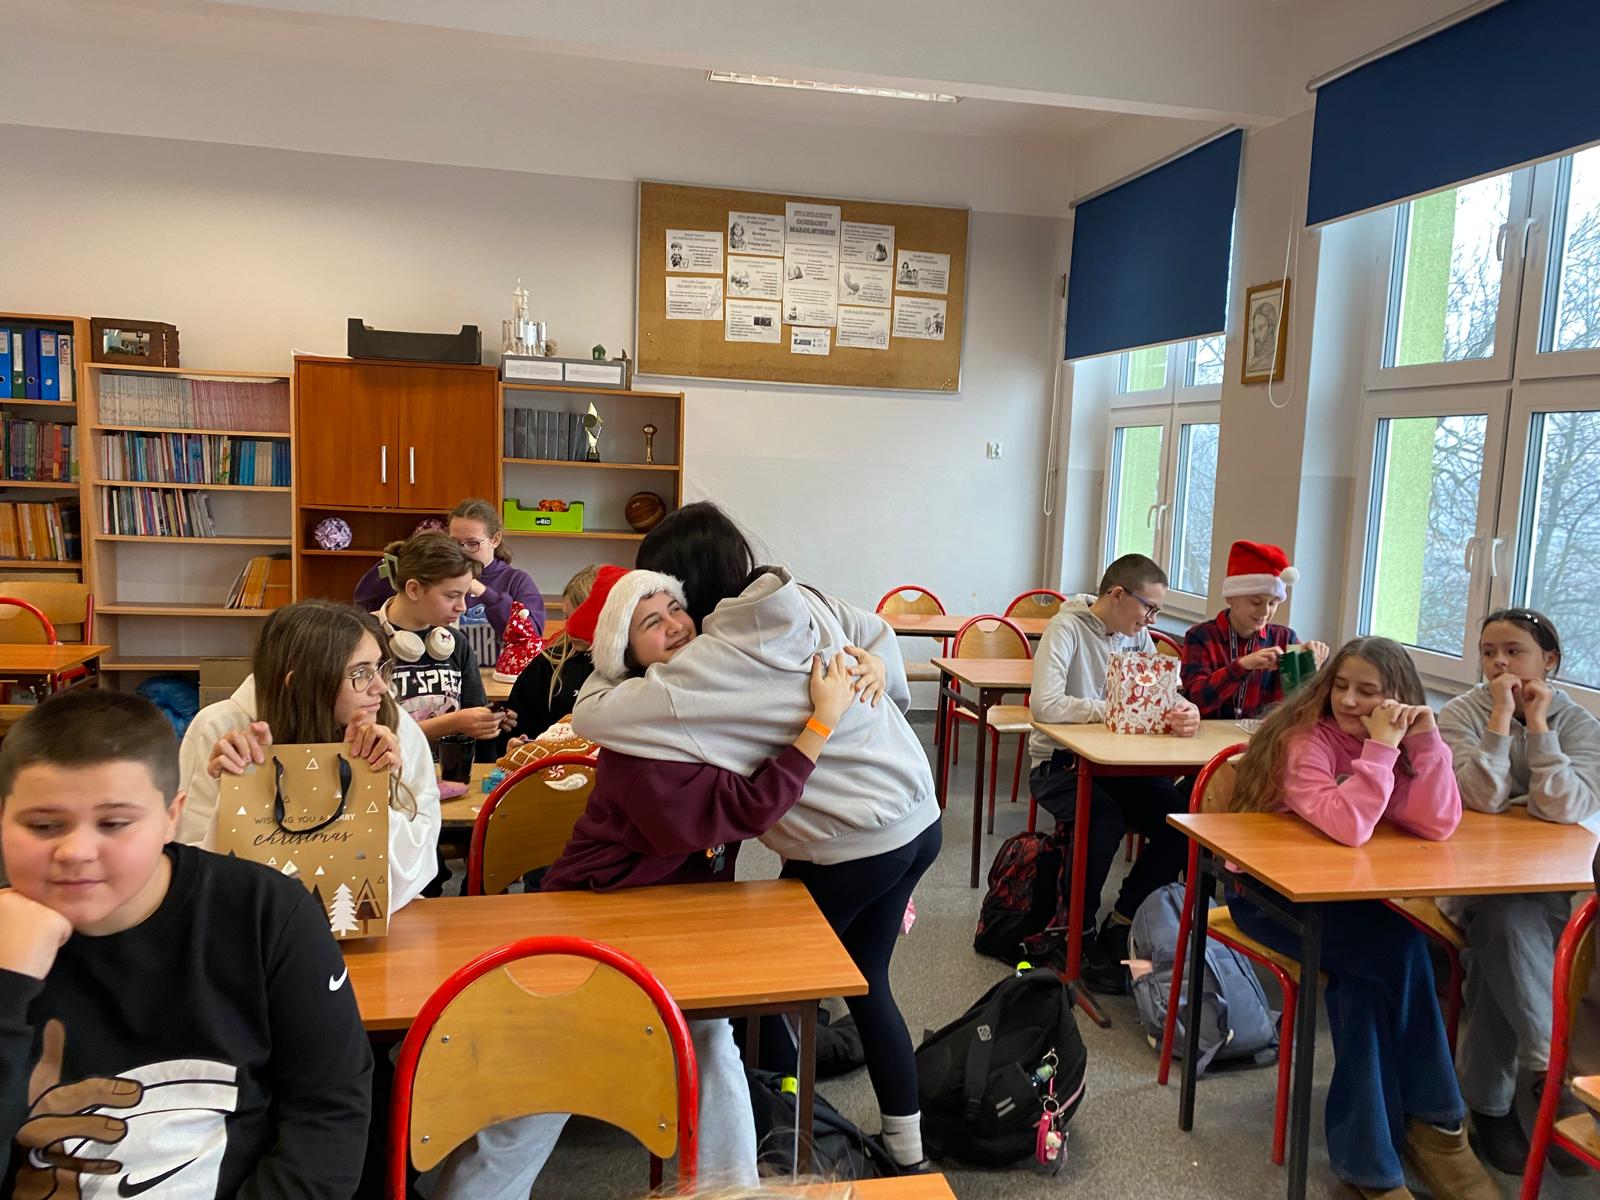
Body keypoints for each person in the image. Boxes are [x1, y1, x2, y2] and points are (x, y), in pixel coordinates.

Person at [428, 570, 861, 1198]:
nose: (675, 625)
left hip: (669, 922)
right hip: (592, 919)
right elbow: (742, 807)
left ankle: (733, 1189)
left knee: (711, 1042)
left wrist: (869, 663)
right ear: (626, 652)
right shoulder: (640, 737)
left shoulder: (698, 705)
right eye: (651, 623)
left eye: (676, 609)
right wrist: (820, 724)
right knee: (557, 1066)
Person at [631, 502, 942, 1173]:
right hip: (918, 816)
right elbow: (879, 629)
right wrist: (881, 676)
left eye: (668, 596)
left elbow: (605, 718)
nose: (670, 614)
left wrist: (608, 671)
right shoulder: (797, 594)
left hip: (852, 842)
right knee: (868, 980)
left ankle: (792, 1145)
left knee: (766, 988)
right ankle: (907, 1151)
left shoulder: (718, 654)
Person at [0, 690, 372, 1197]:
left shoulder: (266, 914)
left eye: (114, 823)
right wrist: (8, 989)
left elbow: (328, 1117)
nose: (76, 851)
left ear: (171, 816)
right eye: (44, 825)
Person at [1223, 637, 1497, 1200]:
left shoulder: (1394, 742)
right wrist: (1380, 751)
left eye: (1367, 691)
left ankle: (1376, 1160)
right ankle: (1436, 1126)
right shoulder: (1305, 740)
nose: (1349, 700)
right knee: (1401, 951)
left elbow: (1438, 822)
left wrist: (1425, 741)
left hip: (1347, 899)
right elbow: (1349, 827)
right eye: (1341, 686)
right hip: (1269, 896)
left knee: (1367, 985)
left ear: (1397, 697)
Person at [1437, 608, 1600, 1175]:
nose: (1499, 663)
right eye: (1488, 652)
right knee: (1503, 922)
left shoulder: (1579, 724)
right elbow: (1479, 798)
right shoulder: (1460, 714)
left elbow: (1567, 805)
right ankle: (1556, 1080)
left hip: (1553, 887)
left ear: (1548, 660)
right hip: (1469, 880)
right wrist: (1501, 719)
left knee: (1502, 944)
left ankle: (1491, 1104)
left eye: (1514, 651)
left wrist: (1540, 727)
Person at [177, 599, 442, 914]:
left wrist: (371, 786)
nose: (382, 687)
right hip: (255, 925)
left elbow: (421, 865)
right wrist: (237, 793)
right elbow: (190, 873)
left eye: (380, 667)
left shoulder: (394, 725)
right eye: (360, 673)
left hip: (376, 921)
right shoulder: (222, 728)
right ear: (301, 683)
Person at [1025, 554, 1201, 994]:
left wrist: (1186, 710)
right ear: (1118, 595)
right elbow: (1045, 705)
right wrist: (1116, 709)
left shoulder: (1138, 637)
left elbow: (1163, 696)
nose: (1151, 619)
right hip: (1061, 763)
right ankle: (1076, 933)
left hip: (1120, 766)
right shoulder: (1065, 629)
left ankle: (1123, 920)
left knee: (1182, 822)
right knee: (1101, 822)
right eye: (1149, 607)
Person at [372, 531, 514, 749]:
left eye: (465, 595)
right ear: (413, 589)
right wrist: (453, 723)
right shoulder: (364, 641)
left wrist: (488, 720)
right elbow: (364, 733)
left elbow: (473, 713)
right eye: (451, 596)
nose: (462, 607)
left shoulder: (455, 643)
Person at [354, 499, 545, 655]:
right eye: (454, 542)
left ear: (495, 540)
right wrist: (405, 559)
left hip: (497, 679)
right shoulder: (436, 574)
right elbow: (365, 603)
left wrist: (483, 592)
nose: (462, 551)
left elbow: (531, 638)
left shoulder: (517, 581)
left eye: (472, 544)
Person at [1181, 539, 1329, 720]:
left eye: (1273, 603)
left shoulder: (1285, 638)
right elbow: (1196, 699)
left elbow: (1301, 705)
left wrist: (1312, 667)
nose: (1265, 612)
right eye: (1255, 602)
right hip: (1210, 732)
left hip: (1264, 735)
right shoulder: (1200, 636)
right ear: (1230, 597)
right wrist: (1242, 666)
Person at [504, 565, 599, 741]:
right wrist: (514, 744)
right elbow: (516, 732)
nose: (570, 628)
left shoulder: (634, 667)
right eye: (567, 617)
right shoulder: (547, 664)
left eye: (580, 620)